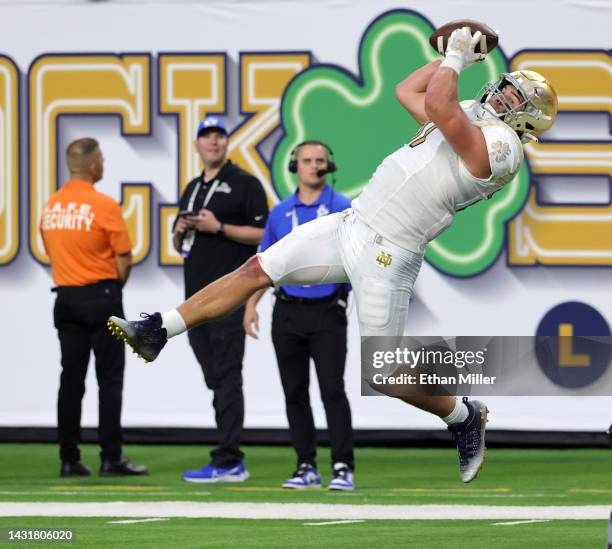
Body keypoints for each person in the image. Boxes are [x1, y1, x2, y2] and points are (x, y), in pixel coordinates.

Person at [108, 27, 558, 482]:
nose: (502, 98)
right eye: (504, 89)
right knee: (256, 268)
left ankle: (463, 414)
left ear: (527, 122)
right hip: (353, 223)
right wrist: (461, 60)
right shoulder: (469, 114)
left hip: (390, 251)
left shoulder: (504, 148)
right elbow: (408, 90)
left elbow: (439, 103)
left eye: (514, 100)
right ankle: (158, 329)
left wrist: (457, 55)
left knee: (383, 373)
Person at [243, 140, 354, 490]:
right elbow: (265, 263)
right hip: (288, 311)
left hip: (327, 312)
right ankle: (306, 465)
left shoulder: (343, 208)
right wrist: (250, 304)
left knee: (332, 390)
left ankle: (342, 467)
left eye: (321, 160)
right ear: (295, 166)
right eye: (307, 160)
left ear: (329, 165)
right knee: (294, 391)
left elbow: (358, 259)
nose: (314, 166)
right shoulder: (280, 212)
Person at [40, 137, 148, 477]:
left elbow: (50, 250)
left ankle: (68, 458)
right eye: (101, 159)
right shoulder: (103, 205)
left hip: (66, 298)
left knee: (70, 380)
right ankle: (111, 457)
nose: (103, 164)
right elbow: (124, 258)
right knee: (109, 380)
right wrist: (111, 289)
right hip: (102, 297)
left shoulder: (51, 206)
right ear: (92, 165)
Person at [170, 115, 269, 483]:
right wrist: (179, 232)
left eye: (219, 136)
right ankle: (227, 453)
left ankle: (229, 460)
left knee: (227, 377)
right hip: (195, 301)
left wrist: (221, 227)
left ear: (227, 143)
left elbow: (264, 232)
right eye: (206, 137)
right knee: (215, 377)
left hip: (227, 298)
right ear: (197, 145)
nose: (213, 142)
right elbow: (180, 245)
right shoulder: (193, 187)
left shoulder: (244, 184)